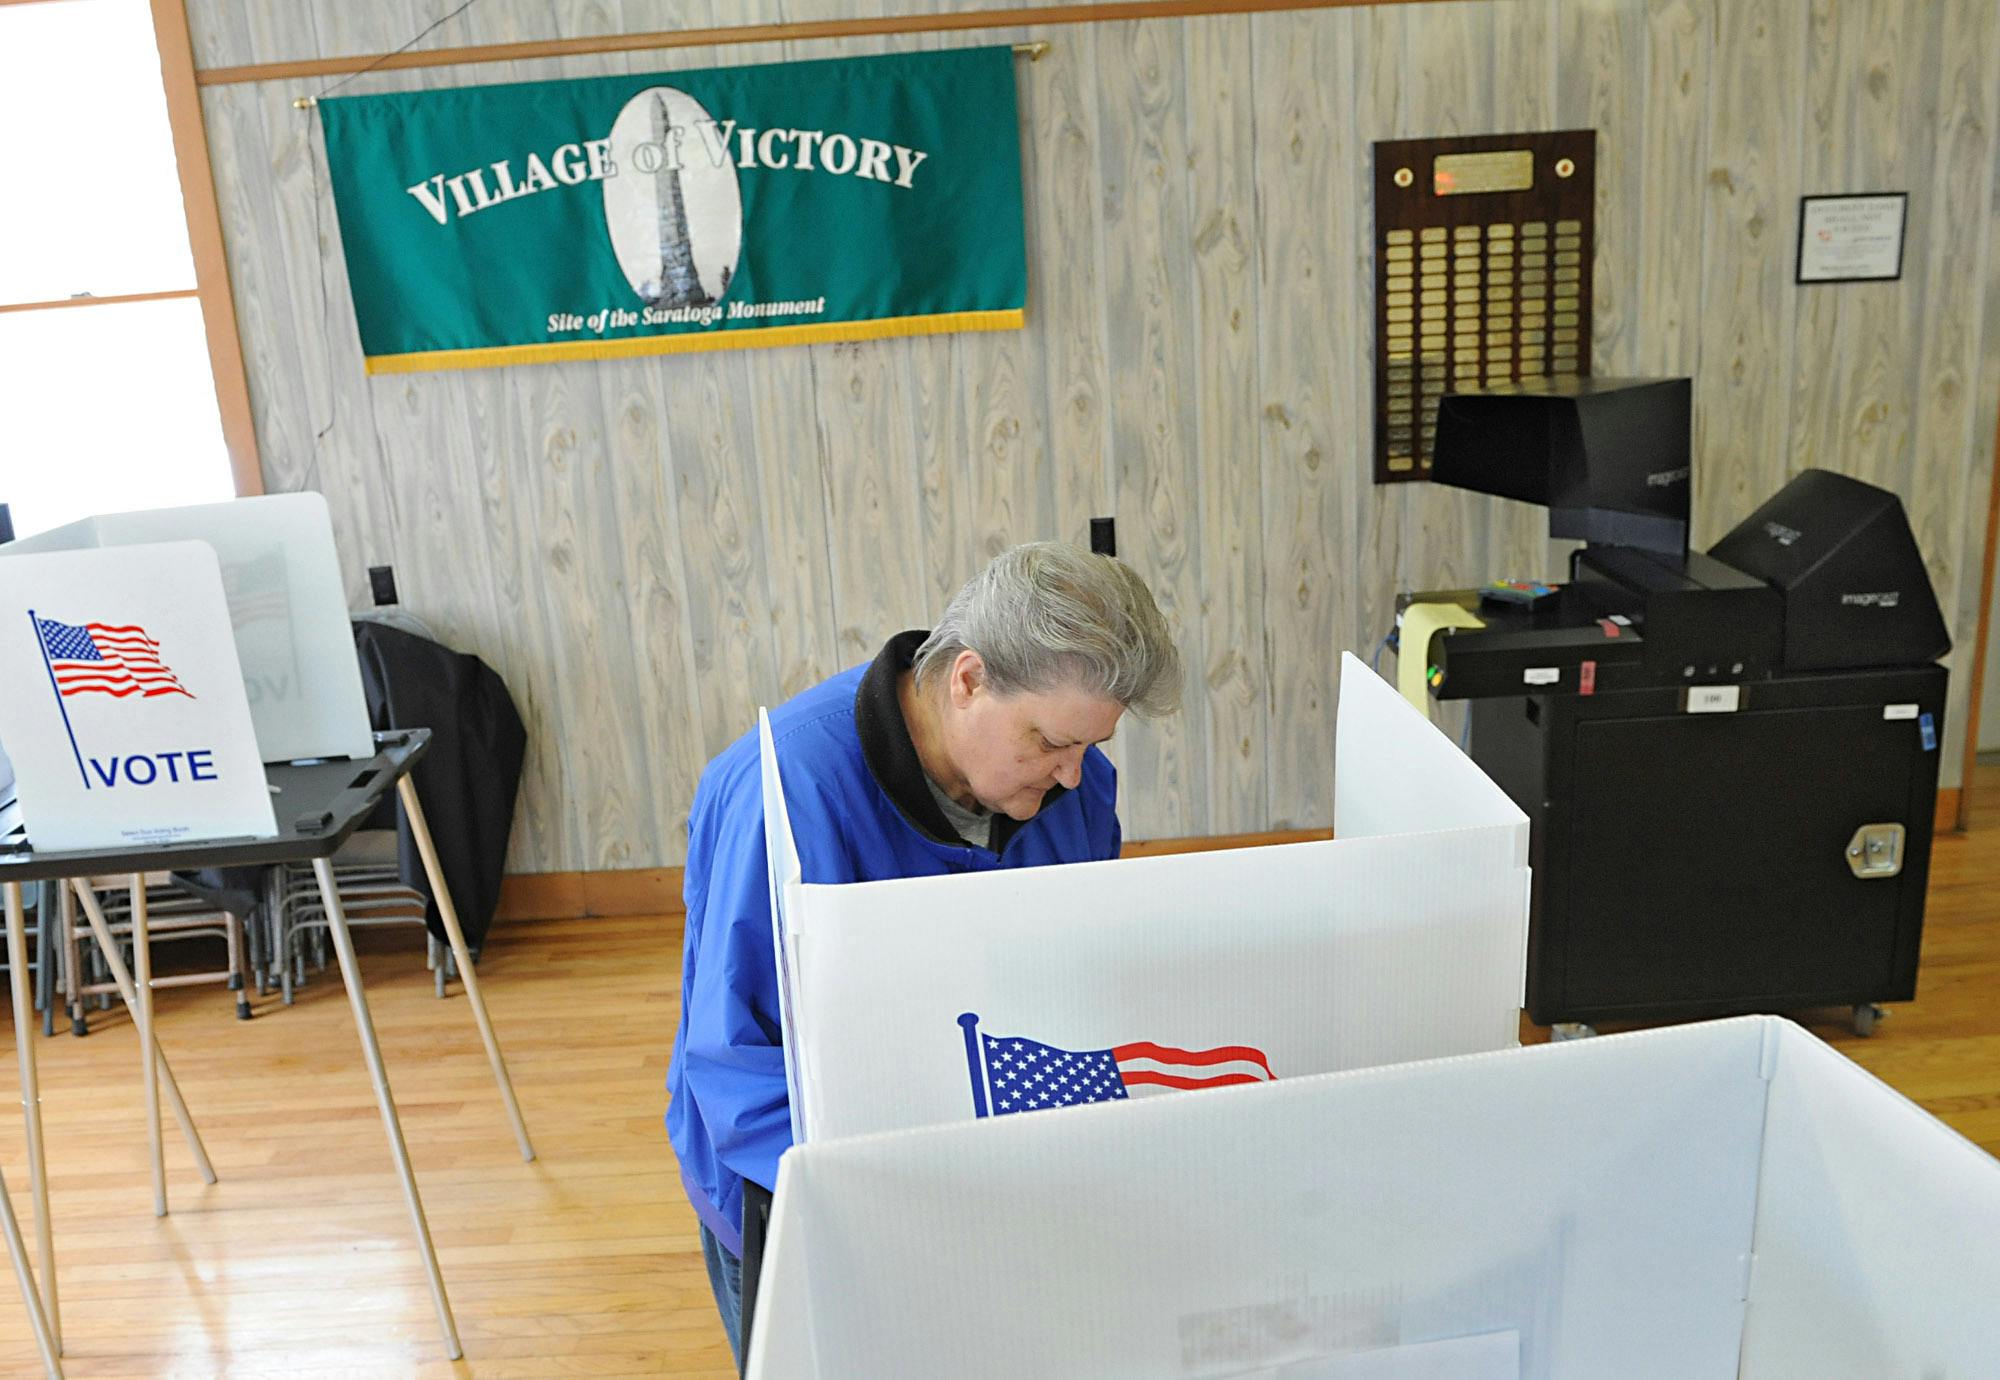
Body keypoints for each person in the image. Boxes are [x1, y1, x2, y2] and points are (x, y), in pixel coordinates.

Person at [665, 541, 1182, 1363]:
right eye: (1051, 742)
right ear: (968, 680)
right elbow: (736, 1074)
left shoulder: (1074, 792)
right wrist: (917, 1194)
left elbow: (1076, 987)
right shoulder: (781, 796)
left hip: (991, 1195)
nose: (1077, 777)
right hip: (806, 1198)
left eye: (1092, 746)